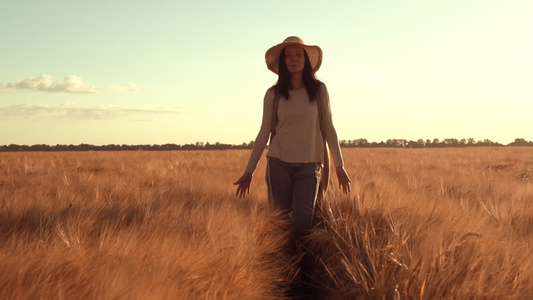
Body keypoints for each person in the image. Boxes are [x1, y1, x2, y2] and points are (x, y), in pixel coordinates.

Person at [234, 36, 351, 241]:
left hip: (310, 166)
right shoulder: (274, 93)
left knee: (302, 225)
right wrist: (249, 171)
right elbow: (264, 131)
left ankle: (301, 264)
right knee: (281, 225)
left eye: (298, 55)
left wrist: (339, 166)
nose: (293, 59)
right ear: (282, 62)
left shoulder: (319, 90)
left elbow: (328, 127)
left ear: (306, 59)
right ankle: (283, 268)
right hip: (279, 164)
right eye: (288, 56)